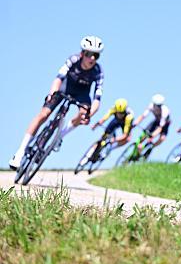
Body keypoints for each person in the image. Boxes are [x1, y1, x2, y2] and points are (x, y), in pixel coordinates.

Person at [9, 36, 105, 170]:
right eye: (89, 54)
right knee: (44, 114)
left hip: (82, 92)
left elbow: (97, 98)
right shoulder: (73, 60)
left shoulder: (98, 71)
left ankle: (60, 136)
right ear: (82, 53)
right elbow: (58, 78)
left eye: (96, 55)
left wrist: (89, 114)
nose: (93, 58)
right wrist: (51, 94)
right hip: (66, 86)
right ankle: (20, 152)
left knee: (84, 112)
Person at [81, 98, 134, 164]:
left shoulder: (129, 117)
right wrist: (96, 125)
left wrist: (114, 140)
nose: (120, 115)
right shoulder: (114, 108)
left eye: (122, 113)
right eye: (118, 113)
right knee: (103, 137)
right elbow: (104, 118)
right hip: (116, 121)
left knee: (127, 139)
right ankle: (89, 155)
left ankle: (110, 149)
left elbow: (125, 135)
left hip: (125, 123)